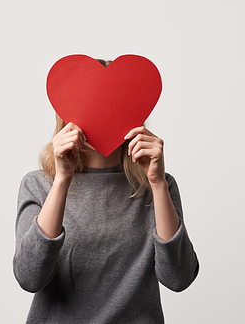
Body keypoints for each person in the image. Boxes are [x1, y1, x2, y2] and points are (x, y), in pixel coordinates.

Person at [13, 59, 199, 323]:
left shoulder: (158, 186)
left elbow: (179, 278)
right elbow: (29, 277)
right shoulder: (39, 185)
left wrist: (157, 185)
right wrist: (62, 180)